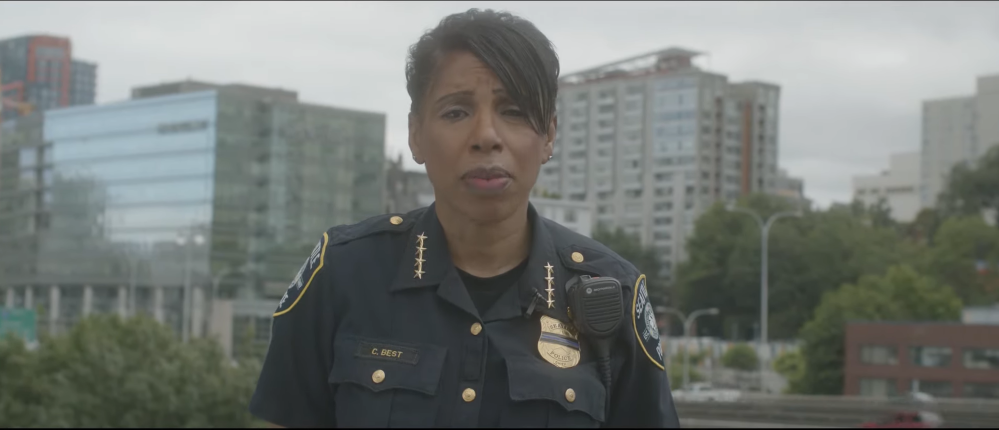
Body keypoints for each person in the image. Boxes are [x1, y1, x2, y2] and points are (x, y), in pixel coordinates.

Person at [249, 8, 680, 428]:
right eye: (456, 112)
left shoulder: (611, 293)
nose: (486, 137)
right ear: (416, 134)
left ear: (549, 135)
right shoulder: (344, 272)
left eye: (513, 111)